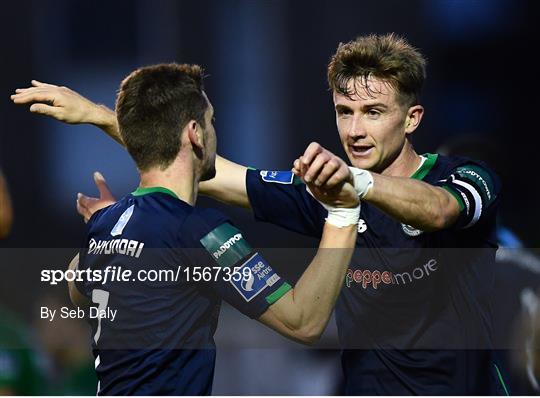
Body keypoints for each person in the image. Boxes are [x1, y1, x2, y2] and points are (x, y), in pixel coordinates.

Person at [11, 34, 505, 395]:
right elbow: (198, 165)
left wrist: (352, 188)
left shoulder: (462, 176)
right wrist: (101, 116)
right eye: (343, 111)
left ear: (412, 118)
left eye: (373, 112)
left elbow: (440, 211)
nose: (354, 129)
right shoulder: (323, 193)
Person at [23, 63, 360, 395]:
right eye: (211, 122)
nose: (215, 132)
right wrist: (343, 216)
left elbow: (76, 287)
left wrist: (106, 228)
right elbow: (303, 321)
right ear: (195, 134)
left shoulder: (108, 223)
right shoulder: (202, 232)